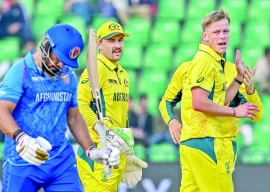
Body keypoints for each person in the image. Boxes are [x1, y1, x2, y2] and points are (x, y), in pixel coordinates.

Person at [0, 23, 121, 192]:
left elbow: (74, 117)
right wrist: (22, 138)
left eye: (65, 61)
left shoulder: (68, 75)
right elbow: (2, 110)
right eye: (57, 58)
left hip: (60, 161)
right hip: (24, 158)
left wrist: (91, 149)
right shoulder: (20, 71)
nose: (60, 65)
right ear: (45, 45)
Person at [160, 9, 260, 192]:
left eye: (226, 31)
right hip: (208, 142)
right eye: (216, 32)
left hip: (197, 143)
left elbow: (252, 112)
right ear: (204, 37)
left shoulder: (220, 65)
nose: (222, 36)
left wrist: (239, 79)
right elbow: (199, 103)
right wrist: (235, 111)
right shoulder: (205, 61)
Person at [76, 21, 148, 192]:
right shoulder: (97, 68)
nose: (117, 46)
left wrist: (128, 153)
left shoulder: (123, 73)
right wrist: (101, 131)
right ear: (99, 44)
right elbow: (81, 105)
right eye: (111, 41)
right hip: (99, 151)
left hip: (117, 152)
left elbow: (123, 117)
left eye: (120, 40)